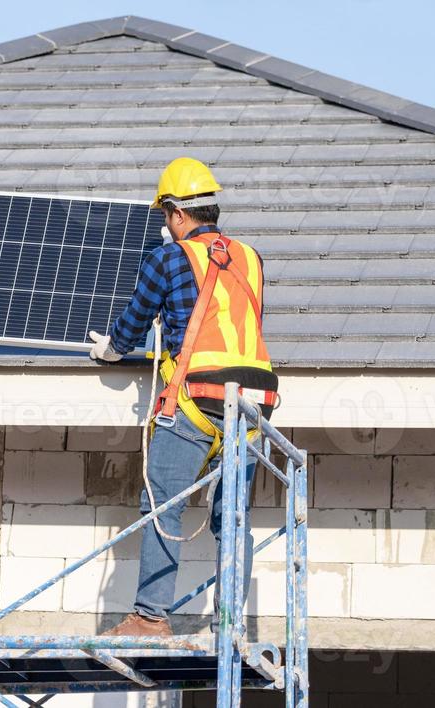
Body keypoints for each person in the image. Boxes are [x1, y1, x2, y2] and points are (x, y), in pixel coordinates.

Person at [88, 157, 279, 638]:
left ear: (176, 213)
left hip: (196, 399)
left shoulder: (168, 257)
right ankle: (230, 624)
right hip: (254, 404)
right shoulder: (252, 257)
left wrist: (109, 350)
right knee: (232, 517)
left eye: (164, 216)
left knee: (162, 505)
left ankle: (150, 617)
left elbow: (134, 322)